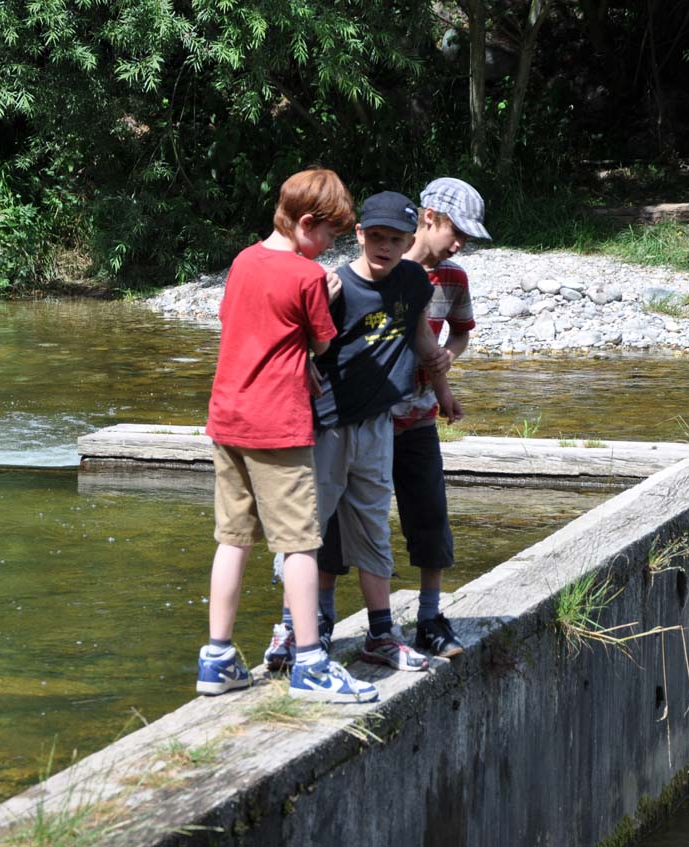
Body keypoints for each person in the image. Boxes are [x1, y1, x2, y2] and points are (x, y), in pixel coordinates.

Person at [197, 168, 378, 704]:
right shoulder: (307, 276)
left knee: (233, 539)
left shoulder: (242, 261)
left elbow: (241, 324)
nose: (330, 248)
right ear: (305, 223)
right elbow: (322, 344)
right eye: (328, 236)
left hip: (228, 419)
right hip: (278, 425)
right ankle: (312, 664)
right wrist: (326, 291)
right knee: (301, 543)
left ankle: (217, 658)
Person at [267, 189, 463, 673]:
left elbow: (418, 333)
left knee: (375, 529)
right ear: (358, 234)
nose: (384, 246)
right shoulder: (334, 285)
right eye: (375, 236)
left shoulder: (414, 281)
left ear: (409, 240)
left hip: (378, 425)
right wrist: (300, 362)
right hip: (328, 425)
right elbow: (293, 340)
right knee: (308, 527)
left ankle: (381, 634)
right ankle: (291, 629)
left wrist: (442, 386)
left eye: (395, 239)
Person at [308, 178, 489, 661]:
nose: (460, 243)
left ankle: (427, 616)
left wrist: (444, 383)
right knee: (335, 522)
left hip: (415, 416)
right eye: (456, 231)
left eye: (466, 236)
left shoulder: (441, 279)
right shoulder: (367, 274)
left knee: (428, 514)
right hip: (358, 419)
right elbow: (319, 339)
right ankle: (321, 618)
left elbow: (437, 340)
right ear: (428, 218)